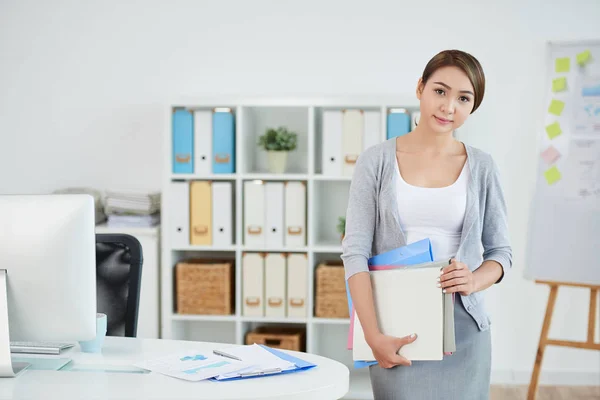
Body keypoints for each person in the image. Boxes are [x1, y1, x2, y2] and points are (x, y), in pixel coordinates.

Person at [341, 49, 512, 399]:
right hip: (394, 325)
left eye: (464, 98)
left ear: (472, 106)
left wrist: (475, 279)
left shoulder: (482, 166)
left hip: (464, 328)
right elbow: (354, 251)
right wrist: (373, 334)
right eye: (440, 91)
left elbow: (501, 253)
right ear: (420, 88)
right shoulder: (376, 161)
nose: (449, 107)